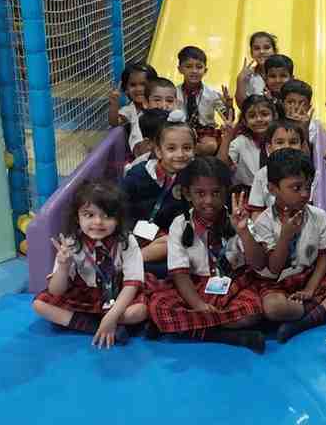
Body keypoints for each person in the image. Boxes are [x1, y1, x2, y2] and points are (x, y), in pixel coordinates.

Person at [146, 157, 265, 352]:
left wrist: (244, 232)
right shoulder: (180, 224)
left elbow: (259, 264)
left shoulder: (238, 219)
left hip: (232, 285)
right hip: (193, 287)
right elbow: (179, 274)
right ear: (187, 194)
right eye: (200, 193)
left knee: (252, 312)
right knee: (157, 306)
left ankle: (186, 328)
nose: (208, 201)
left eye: (216, 193)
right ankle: (224, 335)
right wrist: (198, 305)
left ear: (226, 192)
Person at [249, 149, 326, 342]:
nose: (305, 194)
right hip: (277, 284)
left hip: (309, 277)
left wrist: (310, 288)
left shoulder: (319, 216)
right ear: (273, 189)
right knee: (273, 308)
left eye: (308, 186)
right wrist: (285, 236)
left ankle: (303, 323)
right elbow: (274, 268)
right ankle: (318, 310)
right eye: (296, 188)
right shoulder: (263, 222)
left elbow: (325, 256)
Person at [32, 180, 147, 348]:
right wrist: (63, 267)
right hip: (85, 294)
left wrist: (112, 316)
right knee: (39, 305)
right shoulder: (71, 243)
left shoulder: (126, 241)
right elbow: (56, 290)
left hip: (118, 292)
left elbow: (131, 285)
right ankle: (95, 327)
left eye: (107, 216)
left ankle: (102, 321)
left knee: (139, 311)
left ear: (118, 219)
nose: (98, 222)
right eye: (89, 215)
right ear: (77, 218)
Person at [122, 111, 195, 277]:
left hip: (167, 240)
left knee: (177, 246)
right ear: (159, 151)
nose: (180, 154)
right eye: (171, 148)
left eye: (187, 148)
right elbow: (119, 208)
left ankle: (131, 264)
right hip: (134, 234)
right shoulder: (138, 174)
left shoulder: (193, 178)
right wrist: (133, 230)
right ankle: (130, 263)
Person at [247, 121, 316, 218]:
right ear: (269, 148)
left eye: (293, 142)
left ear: (302, 146)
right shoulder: (262, 174)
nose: (287, 146)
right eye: (280, 142)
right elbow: (256, 211)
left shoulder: (307, 172)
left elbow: (310, 204)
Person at [176, 46, 231, 156]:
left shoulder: (212, 94)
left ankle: (187, 153)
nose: (194, 71)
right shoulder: (174, 93)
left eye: (199, 67)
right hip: (181, 130)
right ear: (180, 69)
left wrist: (229, 106)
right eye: (188, 66)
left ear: (205, 70)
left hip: (205, 132)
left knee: (210, 146)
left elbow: (227, 118)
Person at [218, 94, 278, 190]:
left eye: (264, 114)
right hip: (246, 194)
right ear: (245, 122)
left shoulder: (280, 140)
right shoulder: (239, 142)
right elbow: (220, 168)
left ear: (274, 117)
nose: (259, 119)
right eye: (252, 116)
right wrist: (227, 138)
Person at [235, 31, 278, 106]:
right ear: (251, 53)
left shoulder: (284, 71)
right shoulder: (247, 76)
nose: (262, 51)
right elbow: (242, 106)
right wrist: (240, 80)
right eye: (257, 48)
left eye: (266, 48)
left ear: (275, 51)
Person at [109, 61, 157, 127]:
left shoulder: (158, 105)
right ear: (126, 89)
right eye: (133, 85)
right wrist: (114, 104)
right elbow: (114, 123)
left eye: (143, 84)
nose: (138, 89)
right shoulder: (129, 110)